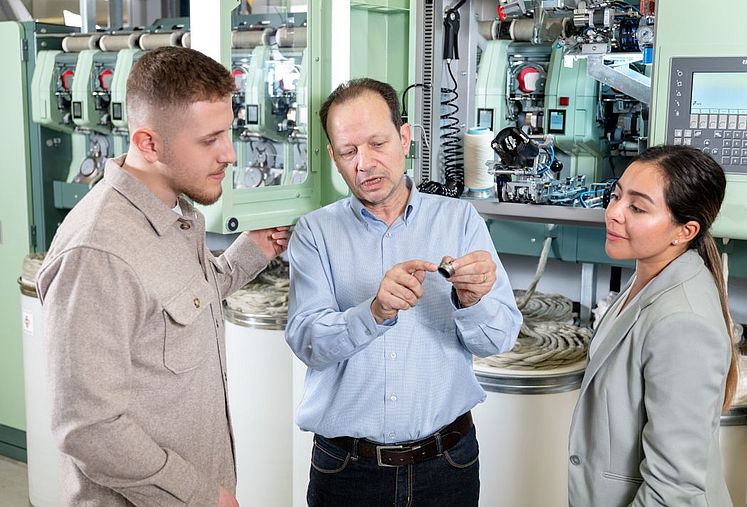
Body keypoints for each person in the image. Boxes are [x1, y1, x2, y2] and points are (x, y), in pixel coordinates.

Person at [36, 47, 290, 507]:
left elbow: (182, 302)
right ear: (149, 143)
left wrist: (255, 250)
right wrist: (201, 496)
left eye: (228, 132)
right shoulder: (98, 253)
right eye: (209, 140)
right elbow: (88, 427)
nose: (230, 154)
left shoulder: (173, 211)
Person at [285, 78, 522, 506]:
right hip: (347, 471)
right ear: (333, 158)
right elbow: (307, 343)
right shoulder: (314, 233)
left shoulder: (460, 221)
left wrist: (471, 302)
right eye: (348, 151)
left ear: (404, 137)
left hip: (447, 466)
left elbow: (499, 340)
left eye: (377, 143)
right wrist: (373, 312)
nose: (364, 163)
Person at [568, 145, 738, 506]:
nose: (613, 213)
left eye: (637, 207)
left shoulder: (682, 323)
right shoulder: (648, 276)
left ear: (684, 231)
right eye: (616, 196)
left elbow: (673, 490)